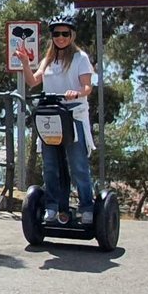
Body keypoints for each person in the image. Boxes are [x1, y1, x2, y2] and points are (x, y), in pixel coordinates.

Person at [14, 15, 95, 225]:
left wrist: (75, 93)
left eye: (65, 34)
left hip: (73, 115)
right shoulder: (48, 60)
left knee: (77, 165)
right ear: (52, 36)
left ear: (72, 35)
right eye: (57, 34)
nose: (60, 37)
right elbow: (33, 81)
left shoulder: (80, 58)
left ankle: (87, 207)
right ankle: (52, 206)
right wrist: (24, 62)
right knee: (50, 166)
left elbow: (88, 87)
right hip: (51, 117)